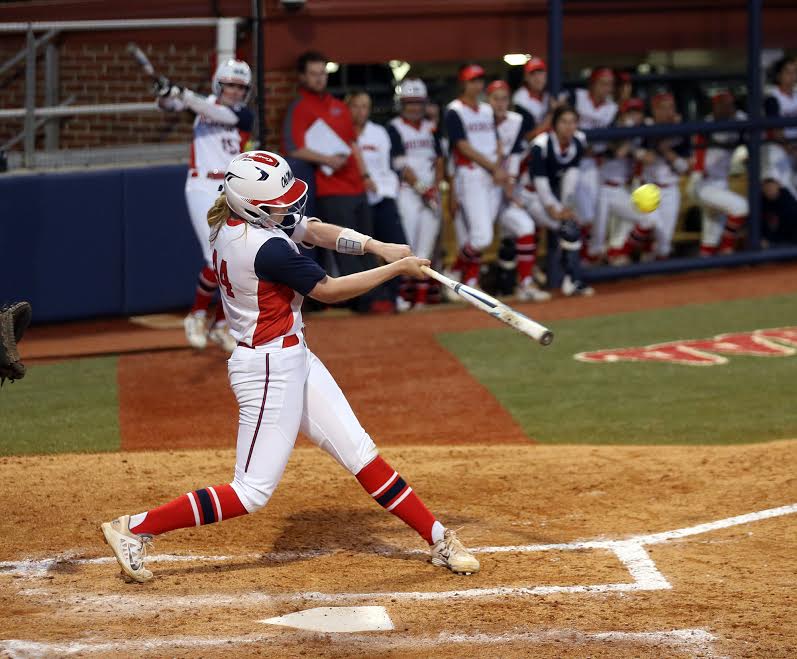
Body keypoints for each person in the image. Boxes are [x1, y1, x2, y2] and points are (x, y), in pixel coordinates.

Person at [101, 150, 480, 583]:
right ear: (254, 205)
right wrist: (395, 269)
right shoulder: (266, 250)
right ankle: (134, 528)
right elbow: (330, 290)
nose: (288, 206)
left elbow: (313, 230)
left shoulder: (234, 220)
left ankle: (438, 538)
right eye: (278, 201)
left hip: (292, 355)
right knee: (251, 491)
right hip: (267, 369)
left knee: (360, 452)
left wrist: (376, 246)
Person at [155, 59, 254, 352]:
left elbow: (211, 111)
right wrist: (164, 93)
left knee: (238, 261)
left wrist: (181, 92)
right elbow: (168, 107)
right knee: (215, 258)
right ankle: (196, 315)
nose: (235, 91)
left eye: (240, 87)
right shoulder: (201, 105)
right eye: (230, 85)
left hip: (232, 187)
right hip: (201, 185)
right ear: (218, 84)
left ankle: (222, 324)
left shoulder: (242, 115)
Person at [283, 51, 388, 312]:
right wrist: (327, 160)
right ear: (303, 76)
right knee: (347, 246)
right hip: (332, 189)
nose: (320, 78)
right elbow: (294, 148)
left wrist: (365, 176)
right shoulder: (299, 107)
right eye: (314, 74)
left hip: (356, 186)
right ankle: (363, 301)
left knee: (367, 243)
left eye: (323, 73)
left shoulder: (339, 106)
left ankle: (374, 296)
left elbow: (353, 144)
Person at [444, 63, 510, 289]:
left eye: (480, 80)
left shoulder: (486, 109)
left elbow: (496, 141)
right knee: (482, 237)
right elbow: (462, 147)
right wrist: (494, 167)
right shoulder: (454, 110)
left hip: (492, 177)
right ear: (463, 83)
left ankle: (470, 280)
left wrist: (498, 166)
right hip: (471, 174)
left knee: (478, 235)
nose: (478, 84)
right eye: (472, 80)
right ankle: (453, 269)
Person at [487, 80, 551, 302]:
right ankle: (466, 285)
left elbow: (515, 154)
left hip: (506, 190)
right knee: (478, 238)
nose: (500, 103)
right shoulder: (478, 121)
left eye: (504, 98)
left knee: (526, 226)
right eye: (495, 98)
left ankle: (525, 284)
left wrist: (511, 183)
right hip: (480, 189)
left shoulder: (516, 121)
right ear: (488, 101)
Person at [348, 90, 410, 311]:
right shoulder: (343, 132)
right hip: (355, 199)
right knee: (364, 252)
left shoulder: (379, 133)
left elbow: (387, 166)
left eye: (365, 106)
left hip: (382, 195)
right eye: (356, 106)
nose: (361, 111)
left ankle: (396, 295)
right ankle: (366, 300)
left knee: (396, 243)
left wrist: (385, 187)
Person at [523, 105, 594, 296]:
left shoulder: (578, 142)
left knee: (570, 225)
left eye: (573, 122)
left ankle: (571, 281)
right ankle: (563, 280)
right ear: (554, 125)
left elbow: (572, 174)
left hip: (551, 193)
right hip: (527, 194)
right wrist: (554, 208)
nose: (569, 127)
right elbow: (540, 182)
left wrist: (565, 207)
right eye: (564, 122)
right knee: (566, 226)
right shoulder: (541, 145)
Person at [387, 79, 445, 308]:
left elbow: (440, 160)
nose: (414, 108)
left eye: (418, 103)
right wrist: (423, 189)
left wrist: (436, 189)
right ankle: (402, 296)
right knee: (407, 244)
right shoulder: (394, 127)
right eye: (409, 103)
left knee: (426, 245)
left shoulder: (432, 127)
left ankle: (420, 298)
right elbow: (400, 165)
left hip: (431, 194)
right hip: (408, 191)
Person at [688, 91, 749, 256]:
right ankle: (727, 248)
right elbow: (698, 158)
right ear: (714, 107)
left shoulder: (740, 119)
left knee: (710, 239)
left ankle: (707, 274)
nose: (728, 108)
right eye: (722, 104)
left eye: (730, 104)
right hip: (703, 183)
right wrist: (698, 173)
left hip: (721, 183)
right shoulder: (706, 124)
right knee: (740, 207)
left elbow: (753, 135)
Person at [596, 97, 652, 265]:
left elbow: (645, 155)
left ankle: (616, 252)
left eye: (637, 112)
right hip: (602, 188)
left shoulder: (641, 132)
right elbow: (616, 152)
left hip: (621, 190)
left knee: (647, 220)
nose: (634, 116)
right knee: (595, 243)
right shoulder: (611, 130)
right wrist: (629, 139)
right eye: (630, 112)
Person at [570, 68, 619, 259]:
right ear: (592, 84)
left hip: (592, 164)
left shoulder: (612, 108)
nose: (607, 88)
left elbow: (613, 141)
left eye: (610, 84)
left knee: (590, 216)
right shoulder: (577, 97)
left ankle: (580, 259)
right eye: (603, 83)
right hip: (571, 162)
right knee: (578, 215)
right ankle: (572, 260)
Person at [638, 92, 691, 259]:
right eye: (662, 108)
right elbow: (639, 153)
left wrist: (667, 151)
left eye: (671, 108)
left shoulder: (682, 132)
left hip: (670, 190)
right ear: (654, 110)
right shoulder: (645, 127)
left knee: (664, 246)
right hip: (647, 187)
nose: (668, 112)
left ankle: (655, 277)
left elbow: (685, 167)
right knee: (650, 225)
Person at [762, 56, 797, 245]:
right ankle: (770, 240)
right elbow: (775, 130)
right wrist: (791, 148)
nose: (793, 76)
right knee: (776, 194)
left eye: (795, 72)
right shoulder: (772, 97)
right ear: (779, 75)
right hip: (775, 151)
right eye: (788, 72)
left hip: (792, 152)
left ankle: (779, 242)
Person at [512, 57, 553, 139]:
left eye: (540, 73)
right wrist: (553, 113)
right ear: (526, 77)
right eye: (533, 74)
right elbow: (528, 136)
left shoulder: (548, 94)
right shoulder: (520, 99)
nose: (538, 78)